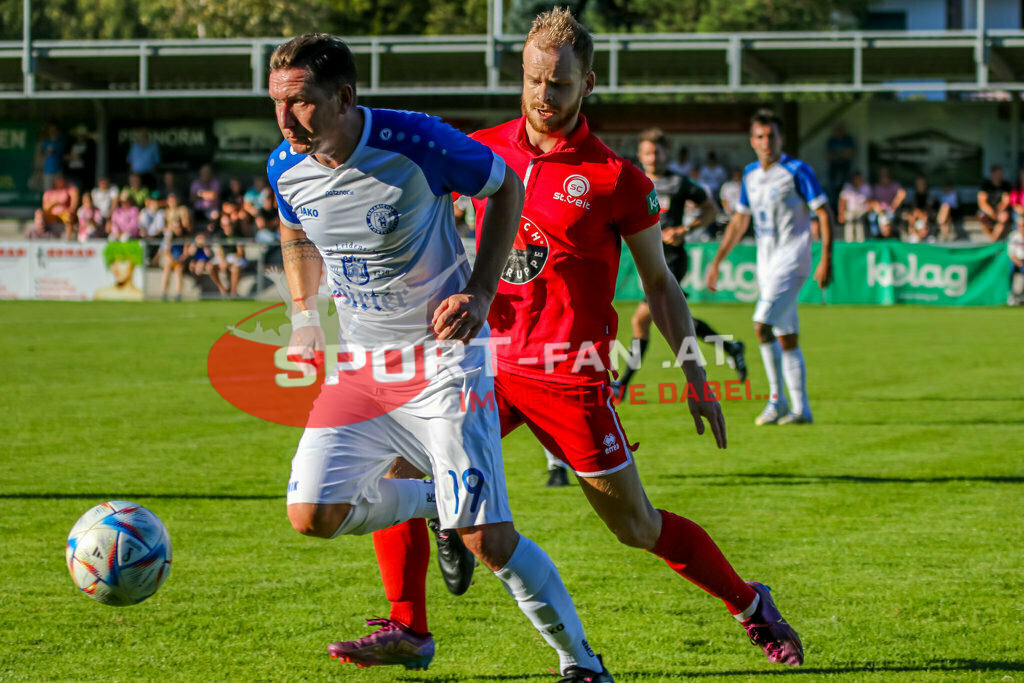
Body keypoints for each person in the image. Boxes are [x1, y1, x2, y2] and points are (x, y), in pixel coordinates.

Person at [359, 10, 803, 675]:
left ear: (587, 83)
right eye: (535, 80)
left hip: (569, 376)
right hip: (486, 364)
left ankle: (750, 603)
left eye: (560, 84)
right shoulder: (482, 148)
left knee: (637, 528)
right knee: (394, 468)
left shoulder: (614, 178)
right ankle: (410, 623)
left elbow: (660, 283)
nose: (544, 96)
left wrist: (694, 374)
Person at [267, 32, 611, 680]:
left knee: (490, 540)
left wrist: (481, 290)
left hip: (445, 362)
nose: (285, 119)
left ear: (344, 97)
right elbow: (292, 227)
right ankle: (435, 503)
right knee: (311, 514)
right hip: (363, 370)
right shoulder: (285, 166)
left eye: (301, 103)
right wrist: (304, 314)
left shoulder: (416, 142)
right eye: (276, 103)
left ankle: (581, 663)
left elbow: (505, 186)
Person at [707, 109, 833, 426]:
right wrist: (718, 259)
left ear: (781, 138)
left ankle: (776, 401)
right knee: (786, 336)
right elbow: (739, 220)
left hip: (793, 259)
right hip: (767, 262)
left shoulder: (797, 170)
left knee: (760, 325)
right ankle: (802, 410)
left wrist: (826, 257)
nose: (767, 142)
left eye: (772, 136)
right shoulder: (750, 174)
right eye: (761, 137)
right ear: (752, 141)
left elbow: (824, 212)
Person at [617, 127, 746, 398]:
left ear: (667, 154)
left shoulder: (679, 183)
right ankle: (731, 348)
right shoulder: (634, 181)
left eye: (658, 152)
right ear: (640, 155)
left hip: (672, 258)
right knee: (672, 318)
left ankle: (623, 384)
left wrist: (685, 230)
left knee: (641, 319)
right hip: (647, 257)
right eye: (648, 152)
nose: (653, 157)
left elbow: (710, 210)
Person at [978, 165, 1012, 242]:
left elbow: (1005, 201)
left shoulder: (1005, 185)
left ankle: (993, 240)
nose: (999, 176)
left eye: (1001, 174)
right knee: (981, 216)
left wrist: (998, 211)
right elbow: (982, 203)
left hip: (1000, 210)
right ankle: (993, 239)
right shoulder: (985, 185)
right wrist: (992, 213)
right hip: (988, 211)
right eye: (998, 173)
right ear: (992, 174)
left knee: (1003, 217)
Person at [869, 167, 905, 238]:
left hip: (890, 210)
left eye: (886, 177)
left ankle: (891, 236)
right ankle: (875, 237)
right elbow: (871, 200)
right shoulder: (876, 187)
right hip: (878, 211)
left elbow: (902, 193)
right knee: (872, 217)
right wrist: (877, 208)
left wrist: (894, 206)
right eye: (883, 177)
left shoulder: (894, 185)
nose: (884, 179)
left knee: (891, 217)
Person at [825, 122, 854, 207]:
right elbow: (828, 156)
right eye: (837, 129)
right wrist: (842, 154)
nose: (838, 131)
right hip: (834, 168)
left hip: (845, 168)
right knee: (833, 190)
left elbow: (849, 154)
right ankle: (834, 209)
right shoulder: (831, 140)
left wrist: (836, 154)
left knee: (845, 191)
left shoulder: (848, 139)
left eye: (840, 129)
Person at [838, 171, 871, 242]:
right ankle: (849, 242)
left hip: (861, 211)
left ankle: (861, 242)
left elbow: (869, 201)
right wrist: (841, 214)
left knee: (860, 226)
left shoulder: (865, 187)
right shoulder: (847, 187)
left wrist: (868, 210)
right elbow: (842, 201)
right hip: (850, 211)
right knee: (849, 225)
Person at [906, 175, 936, 243]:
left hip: (926, 216)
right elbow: (913, 209)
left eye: (922, 183)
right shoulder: (915, 194)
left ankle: (927, 236)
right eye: (918, 184)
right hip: (917, 217)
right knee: (911, 217)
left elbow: (929, 207)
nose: (920, 185)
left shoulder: (928, 194)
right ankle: (914, 235)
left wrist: (921, 214)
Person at [1008, 218, 1024, 305]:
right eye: (1020, 225)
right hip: (1016, 260)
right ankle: (1011, 295)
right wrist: (1018, 261)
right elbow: (1011, 253)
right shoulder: (1014, 236)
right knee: (1010, 269)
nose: (1022, 227)